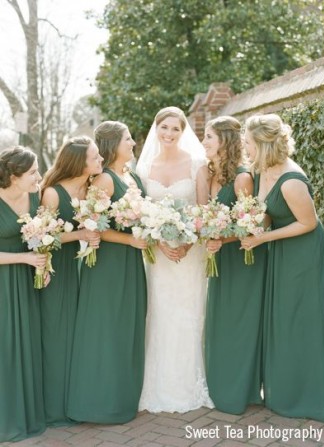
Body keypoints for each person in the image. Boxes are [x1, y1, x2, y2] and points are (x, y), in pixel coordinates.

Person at [240, 114, 324, 422]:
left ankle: (307, 394)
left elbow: (308, 223)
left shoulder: (291, 181)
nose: (245, 148)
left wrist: (263, 238)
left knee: (299, 319)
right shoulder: (260, 170)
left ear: (263, 145)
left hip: (303, 253)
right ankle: (281, 391)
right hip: (281, 250)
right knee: (281, 318)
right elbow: (267, 212)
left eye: (248, 143)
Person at [66, 121, 149, 423]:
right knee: (105, 329)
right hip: (107, 264)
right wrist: (130, 238)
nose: (133, 143)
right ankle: (97, 403)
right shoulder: (104, 180)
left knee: (127, 326)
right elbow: (91, 224)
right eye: (128, 139)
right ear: (114, 144)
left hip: (131, 262)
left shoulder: (133, 177)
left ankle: (122, 397)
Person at [135, 106, 213, 413]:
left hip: (189, 255)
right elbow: (139, 213)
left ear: (183, 132)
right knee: (160, 314)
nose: (168, 134)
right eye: (164, 128)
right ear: (156, 129)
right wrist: (157, 240)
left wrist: (188, 244)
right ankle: (157, 386)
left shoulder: (197, 164)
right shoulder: (144, 169)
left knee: (190, 314)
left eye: (175, 129)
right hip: (158, 257)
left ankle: (191, 384)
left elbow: (204, 213)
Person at [201, 116, 267, 414]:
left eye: (209, 138)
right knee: (219, 322)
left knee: (238, 322)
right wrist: (209, 236)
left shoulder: (243, 177)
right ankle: (219, 386)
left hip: (241, 258)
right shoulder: (207, 173)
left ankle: (241, 391)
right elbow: (202, 215)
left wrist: (221, 240)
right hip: (218, 257)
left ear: (224, 142)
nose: (204, 142)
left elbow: (250, 225)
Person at [39, 136, 103, 426]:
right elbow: (42, 238)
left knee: (83, 337)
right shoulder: (53, 193)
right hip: (62, 269)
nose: (100, 159)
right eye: (95, 156)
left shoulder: (95, 188)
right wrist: (80, 235)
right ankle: (55, 407)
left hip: (92, 271)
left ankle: (81, 399)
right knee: (59, 337)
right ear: (80, 162)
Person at [0, 146, 47, 441]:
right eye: (32, 173)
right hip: (5, 279)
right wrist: (25, 259)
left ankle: (26, 413)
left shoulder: (35, 195)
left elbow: (41, 234)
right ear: (14, 176)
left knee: (26, 343)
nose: (39, 177)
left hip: (27, 280)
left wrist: (43, 258)